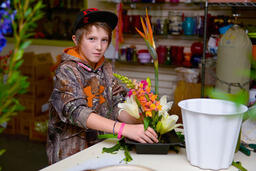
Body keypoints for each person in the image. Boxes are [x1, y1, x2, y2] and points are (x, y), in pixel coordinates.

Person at [46, 8, 158, 164]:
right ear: (76, 40)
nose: (99, 46)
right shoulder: (66, 71)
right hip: (71, 155)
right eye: (92, 39)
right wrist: (124, 129)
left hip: (101, 149)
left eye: (104, 40)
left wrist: (139, 115)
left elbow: (116, 106)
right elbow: (76, 112)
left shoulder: (106, 68)